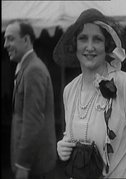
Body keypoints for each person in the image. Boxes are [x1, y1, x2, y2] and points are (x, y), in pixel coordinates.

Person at [54, 8, 126, 178]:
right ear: (75, 45)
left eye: (97, 39)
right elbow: (72, 133)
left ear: (107, 45)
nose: (90, 47)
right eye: (83, 39)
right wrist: (64, 144)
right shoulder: (69, 90)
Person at [4, 21, 57, 179]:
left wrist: (22, 164)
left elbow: (33, 121)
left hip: (34, 166)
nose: (5, 44)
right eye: (5, 39)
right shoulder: (25, 66)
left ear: (26, 40)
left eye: (10, 39)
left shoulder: (33, 69)